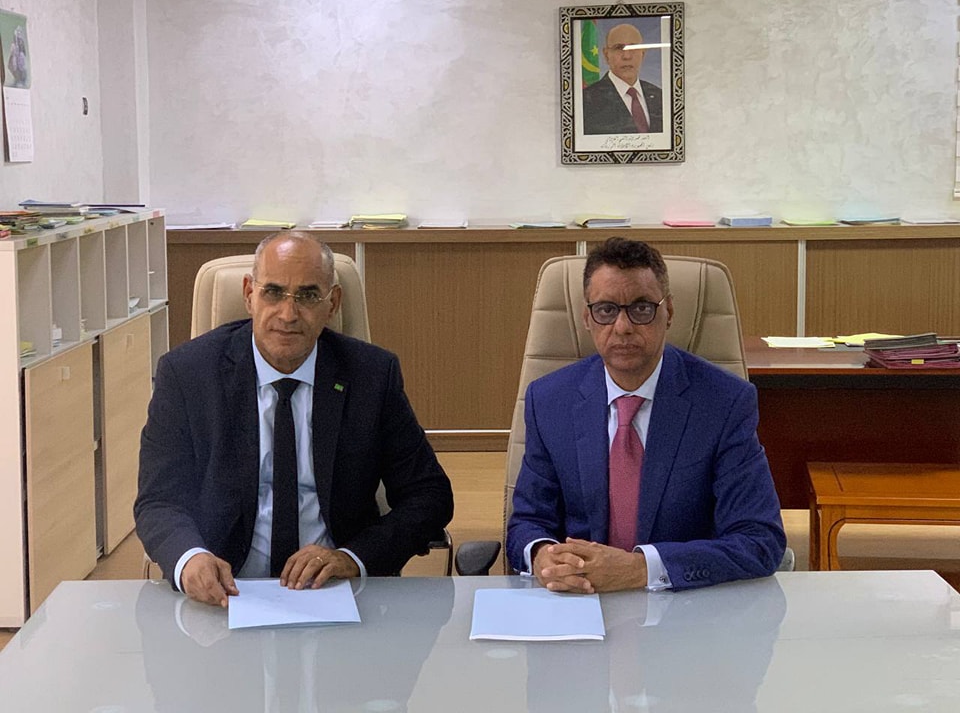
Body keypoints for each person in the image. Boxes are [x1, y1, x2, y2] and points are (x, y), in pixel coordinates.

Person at [135, 231, 453, 606]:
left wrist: (352, 558)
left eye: (308, 295)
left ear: (333, 303)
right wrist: (190, 558)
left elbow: (430, 496)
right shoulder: (187, 374)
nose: (288, 315)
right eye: (273, 292)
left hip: (336, 592)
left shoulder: (371, 375)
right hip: (226, 593)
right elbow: (158, 501)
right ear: (249, 294)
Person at [506, 237, 785, 593]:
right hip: (579, 602)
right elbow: (527, 522)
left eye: (641, 309)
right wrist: (542, 555)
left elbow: (759, 540)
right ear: (587, 318)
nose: (622, 327)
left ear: (668, 312)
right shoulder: (549, 401)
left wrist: (641, 569)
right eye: (606, 310)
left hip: (684, 605)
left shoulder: (724, 403)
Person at [582, 23, 663, 135]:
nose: (627, 56)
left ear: (643, 54)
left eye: (633, 48)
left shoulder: (660, 97)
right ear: (606, 55)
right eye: (618, 48)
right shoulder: (586, 101)